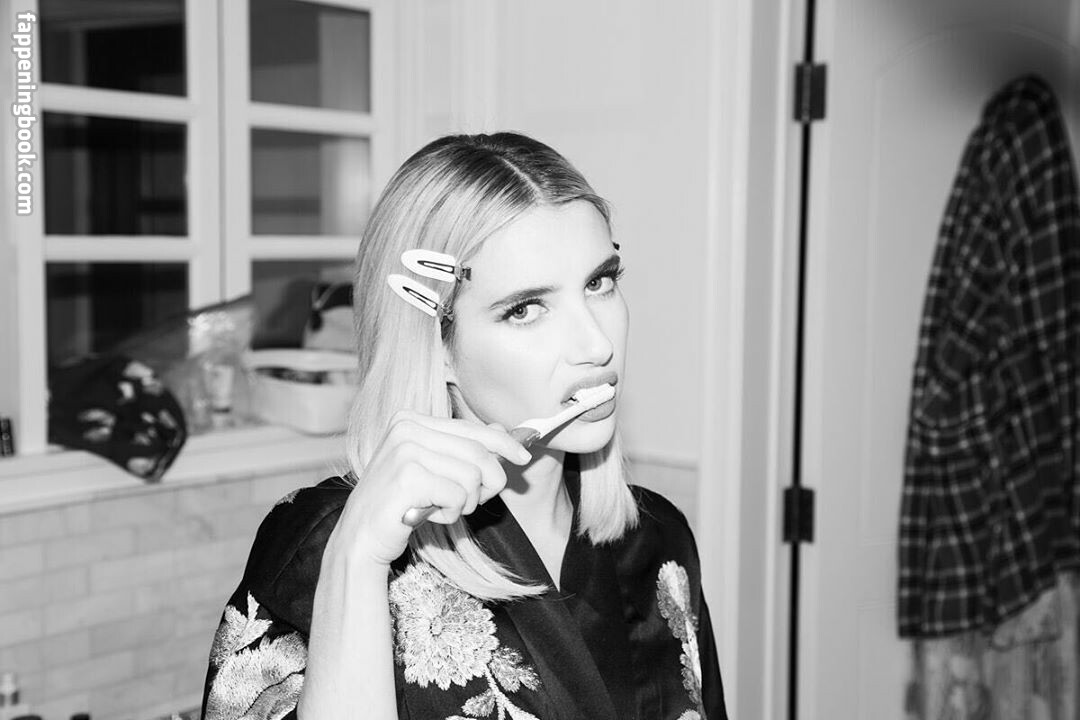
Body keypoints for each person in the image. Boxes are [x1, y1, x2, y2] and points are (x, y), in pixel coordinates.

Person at [200, 133, 728, 720]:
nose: (597, 344)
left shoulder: (660, 541)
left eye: (599, 282)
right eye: (525, 309)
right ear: (438, 347)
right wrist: (357, 560)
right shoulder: (328, 546)